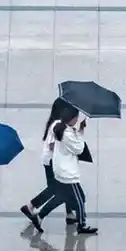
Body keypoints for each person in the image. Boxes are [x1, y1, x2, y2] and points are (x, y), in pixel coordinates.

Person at [20, 97, 77, 230]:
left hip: (51, 161)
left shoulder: (58, 122)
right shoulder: (57, 123)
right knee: (59, 189)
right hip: (53, 162)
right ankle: (31, 207)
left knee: (62, 187)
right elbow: (53, 145)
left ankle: (69, 214)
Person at [49, 103, 97, 235]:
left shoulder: (60, 128)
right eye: (76, 117)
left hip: (62, 170)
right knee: (79, 199)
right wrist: (81, 132)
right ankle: (82, 225)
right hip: (68, 173)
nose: (78, 119)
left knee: (73, 197)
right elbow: (79, 149)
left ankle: (41, 215)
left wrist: (78, 130)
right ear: (72, 118)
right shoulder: (67, 134)